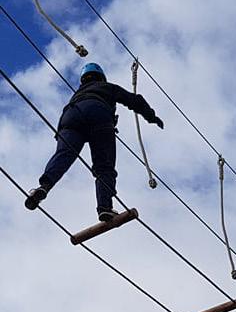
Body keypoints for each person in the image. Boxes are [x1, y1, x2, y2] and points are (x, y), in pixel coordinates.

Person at [24, 63, 164, 222]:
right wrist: (151, 117)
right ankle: (105, 208)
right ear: (101, 77)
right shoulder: (107, 87)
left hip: (71, 116)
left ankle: (44, 186)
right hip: (99, 113)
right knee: (104, 167)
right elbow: (134, 100)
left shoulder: (77, 93)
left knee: (64, 154)